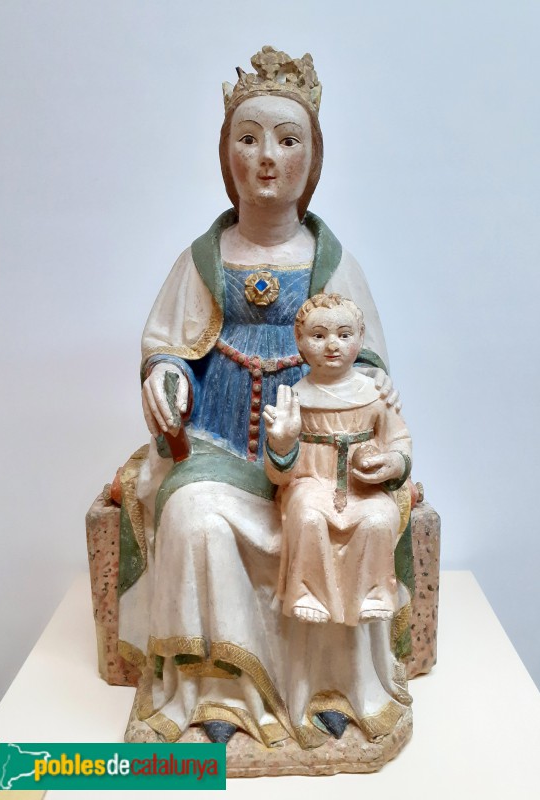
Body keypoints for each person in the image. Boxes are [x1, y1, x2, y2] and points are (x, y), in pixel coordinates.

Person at [118, 46, 412, 750]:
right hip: (218, 449)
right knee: (191, 516)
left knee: (338, 524)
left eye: (288, 140)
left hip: (319, 457)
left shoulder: (332, 262)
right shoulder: (203, 259)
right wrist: (165, 376)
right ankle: (222, 691)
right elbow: (168, 345)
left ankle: (332, 690)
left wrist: (382, 433)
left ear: (314, 157)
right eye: (248, 139)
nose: (267, 158)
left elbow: (371, 366)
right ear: (226, 156)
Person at [263, 293, 412, 627]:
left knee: (378, 518)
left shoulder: (376, 395)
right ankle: (308, 593)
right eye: (319, 335)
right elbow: (278, 476)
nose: (332, 345)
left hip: (363, 489)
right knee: (307, 515)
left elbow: (399, 439)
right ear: (300, 341)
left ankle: (374, 593)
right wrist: (282, 443)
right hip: (311, 483)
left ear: (361, 338)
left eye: (344, 335)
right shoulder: (295, 398)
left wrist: (394, 462)